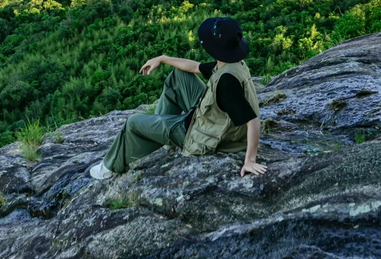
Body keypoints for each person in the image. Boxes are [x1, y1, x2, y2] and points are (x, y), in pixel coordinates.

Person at [89, 16, 267, 180]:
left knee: (133, 123)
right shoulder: (231, 63)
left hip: (200, 135)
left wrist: (249, 160)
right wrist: (162, 58)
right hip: (211, 116)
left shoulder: (227, 83)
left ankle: (109, 167)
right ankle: (160, 134)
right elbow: (195, 67)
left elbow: (252, 121)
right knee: (178, 76)